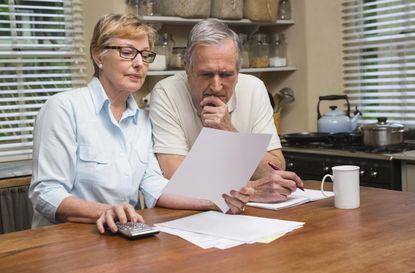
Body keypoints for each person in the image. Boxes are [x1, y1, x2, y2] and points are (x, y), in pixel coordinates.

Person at [29, 14, 252, 235]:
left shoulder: (142, 120)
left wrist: (214, 200)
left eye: (145, 56)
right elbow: (46, 193)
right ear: (98, 56)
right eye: (127, 53)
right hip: (65, 243)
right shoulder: (63, 108)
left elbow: (154, 184)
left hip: (122, 237)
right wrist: (105, 211)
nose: (139, 64)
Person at [149, 19, 303, 203]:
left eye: (226, 75)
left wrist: (229, 132)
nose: (216, 86)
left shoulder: (254, 88)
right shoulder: (166, 92)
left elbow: (275, 170)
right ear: (187, 70)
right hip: (190, 214)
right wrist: (250, 189)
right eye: (206, 74)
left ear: (238, 72)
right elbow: (174, 176)